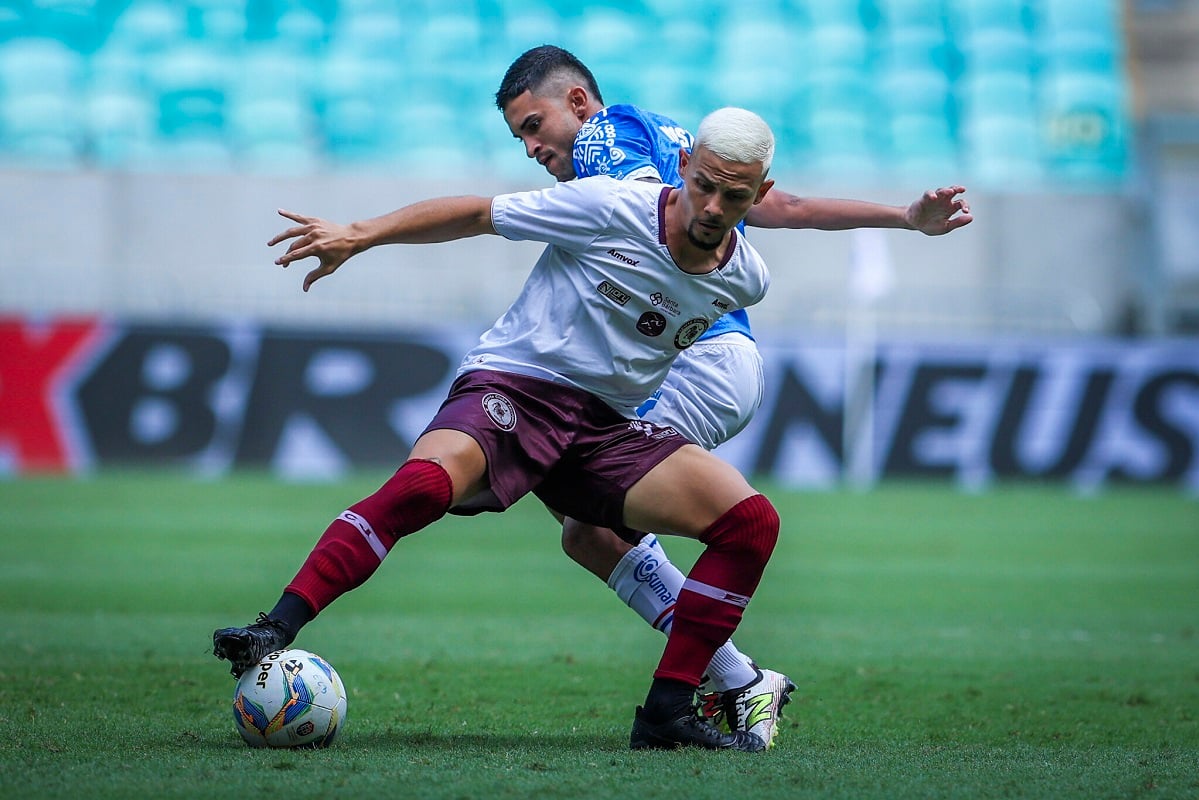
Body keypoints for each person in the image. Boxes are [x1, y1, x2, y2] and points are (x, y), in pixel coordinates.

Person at [216, 107, 784, 751]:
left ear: (758, 195)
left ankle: (667, 710)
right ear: (683, 167)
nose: (712, 205)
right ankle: (276, 627)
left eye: (733, 195)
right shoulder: (611, 207)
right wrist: (361, 233)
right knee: (424, 487)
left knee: (750, 524)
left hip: (604, 431)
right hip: (515, 387)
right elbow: (479, 214)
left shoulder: (746, 279)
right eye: (703, 184)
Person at [491, 44, 975, 742]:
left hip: (697, 357)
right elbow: (795, 206)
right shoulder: (673, 141)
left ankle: (740, 682)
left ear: (576, 103)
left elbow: (642, 236)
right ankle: (736, 680)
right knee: (585, 529)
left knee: (587, 512)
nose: (531, 147)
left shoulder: (604, 144)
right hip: (713, 360)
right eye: (519, 138)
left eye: (534, 125)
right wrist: (903, 217)